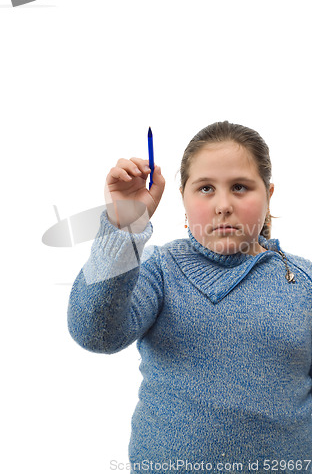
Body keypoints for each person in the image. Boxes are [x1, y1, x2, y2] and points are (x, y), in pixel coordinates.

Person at [67, 121, 312, 473]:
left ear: (269, 194)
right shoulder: (160, 270)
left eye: (240, 187)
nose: (223, 205)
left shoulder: (303, 283)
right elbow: (95, 333)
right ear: (183, 196)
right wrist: (125, 227)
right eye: (206, 188)